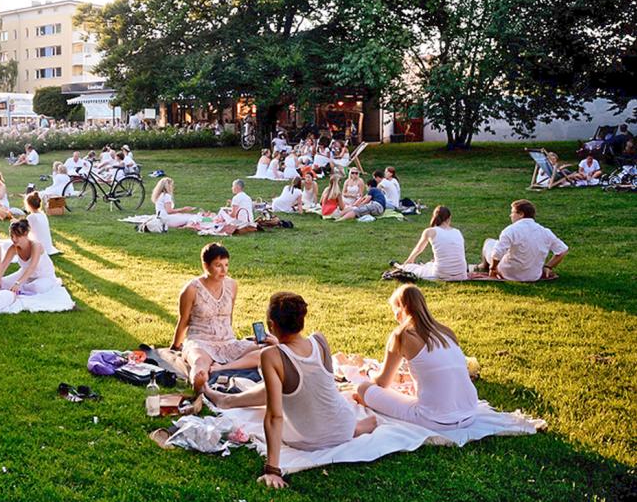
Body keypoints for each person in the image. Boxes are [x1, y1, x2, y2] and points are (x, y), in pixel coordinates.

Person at [201, 292, 377, 489]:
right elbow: (306, 373)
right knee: (287, 386)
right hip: (343, 428)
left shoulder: (270, 355)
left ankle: (226, 400)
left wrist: (272, 469)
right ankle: (228, 400)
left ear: (271, 324)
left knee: (278, 388)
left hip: (306, 440)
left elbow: (275, 415)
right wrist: (279, 347)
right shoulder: (319, 340)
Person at [355, 284, 478, 430]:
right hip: (470, 414)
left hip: (434, 419)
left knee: (362, 387)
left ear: (402, 308)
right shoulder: (446, 332)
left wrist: (369, 371)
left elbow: (383, 383)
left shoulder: (402, 335)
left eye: (394, 310)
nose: (395, 316)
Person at [170, 243, 262, 389]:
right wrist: (175, 346)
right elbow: (184, 320)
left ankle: (221, 368)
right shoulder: (191, 289)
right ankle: (200, 386)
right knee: (200, 363)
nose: (223, 270)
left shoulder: (232, 285)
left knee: (266, 352)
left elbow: (229, 316)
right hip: (201, 342)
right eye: (218, 265)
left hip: (228, 342)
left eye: (226, 264)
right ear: (205, 265)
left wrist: (231, 339)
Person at [477, 199, 567, 281]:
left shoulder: (511, 230)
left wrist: (493, 268)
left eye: (512, 213)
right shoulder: (545, 232)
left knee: (489, 242)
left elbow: (497, 254)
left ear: (521, 214)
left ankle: (483, 266)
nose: (510, 215)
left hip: (508, 273)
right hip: (533, 275)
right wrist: (548, 266)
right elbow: (562, 251)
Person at [395, 206, 468, 281]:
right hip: (461, 274)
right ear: (449, 218)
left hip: (441, 274)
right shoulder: (457, 232)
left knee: (412, 268)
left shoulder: (430, 231)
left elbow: (418, 249)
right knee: (430, 264)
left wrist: (409, 261)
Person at [0, 219, 58, 294]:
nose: (14, 239)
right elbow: (3, 265)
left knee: (35, 288)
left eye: (17, 236)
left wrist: (17, 283)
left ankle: (23, 287)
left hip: (44, 275)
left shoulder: (36, 246)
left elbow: (32, 267)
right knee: (2, 282)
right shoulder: (13, 248)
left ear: (26, 234)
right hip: (25, 274)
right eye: (11, 236)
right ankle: (23, 287)